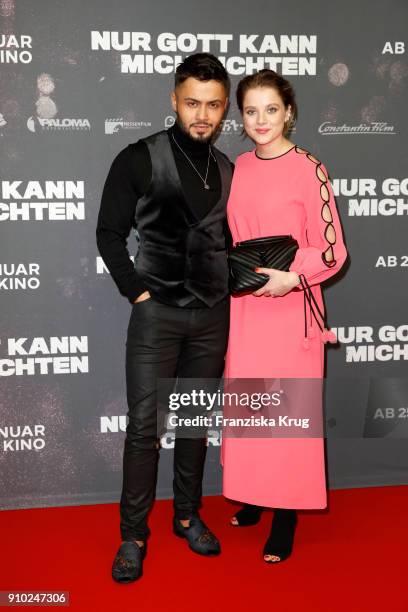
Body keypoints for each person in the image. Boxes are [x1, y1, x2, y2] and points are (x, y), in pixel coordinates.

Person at [96, 53, 233, 583]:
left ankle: (187, 514)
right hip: (156, 318)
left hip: (211, 317)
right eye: (192, 102)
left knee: (195, 426)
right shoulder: (137, 157)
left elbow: (229, 243)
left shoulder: (227, 168)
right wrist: (138, 294)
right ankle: (133, 535)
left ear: (225, 110)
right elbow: (109, 233)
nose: (203, 114)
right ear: (173, 100)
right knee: (144, 429)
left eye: (214, 105)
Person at [222, 69, 347, 563]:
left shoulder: (308, 168)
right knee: (252, 406)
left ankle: (286, 513)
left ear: (289, 111)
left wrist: (293, 277)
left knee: (287, 413)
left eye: (270, 109)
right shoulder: (237, 167)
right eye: (251, 111)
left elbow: (334, 250)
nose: (261, 120)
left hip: (292, 306)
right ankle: (254, 495)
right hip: (246, 307)